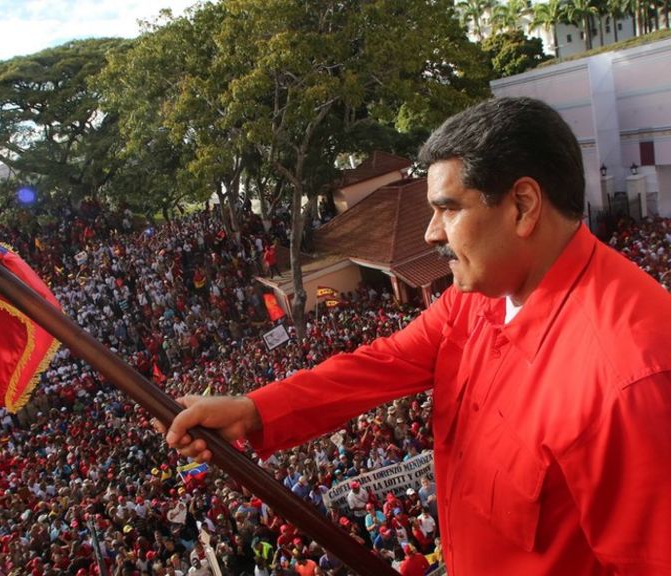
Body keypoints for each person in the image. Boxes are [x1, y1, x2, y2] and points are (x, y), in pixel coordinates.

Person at [160, 97, 671, 575]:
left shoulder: (630, 377)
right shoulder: (481, 298)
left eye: (448, 208)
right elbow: (379, 363)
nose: (431, 233)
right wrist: (252, 409)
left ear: (523, 205)